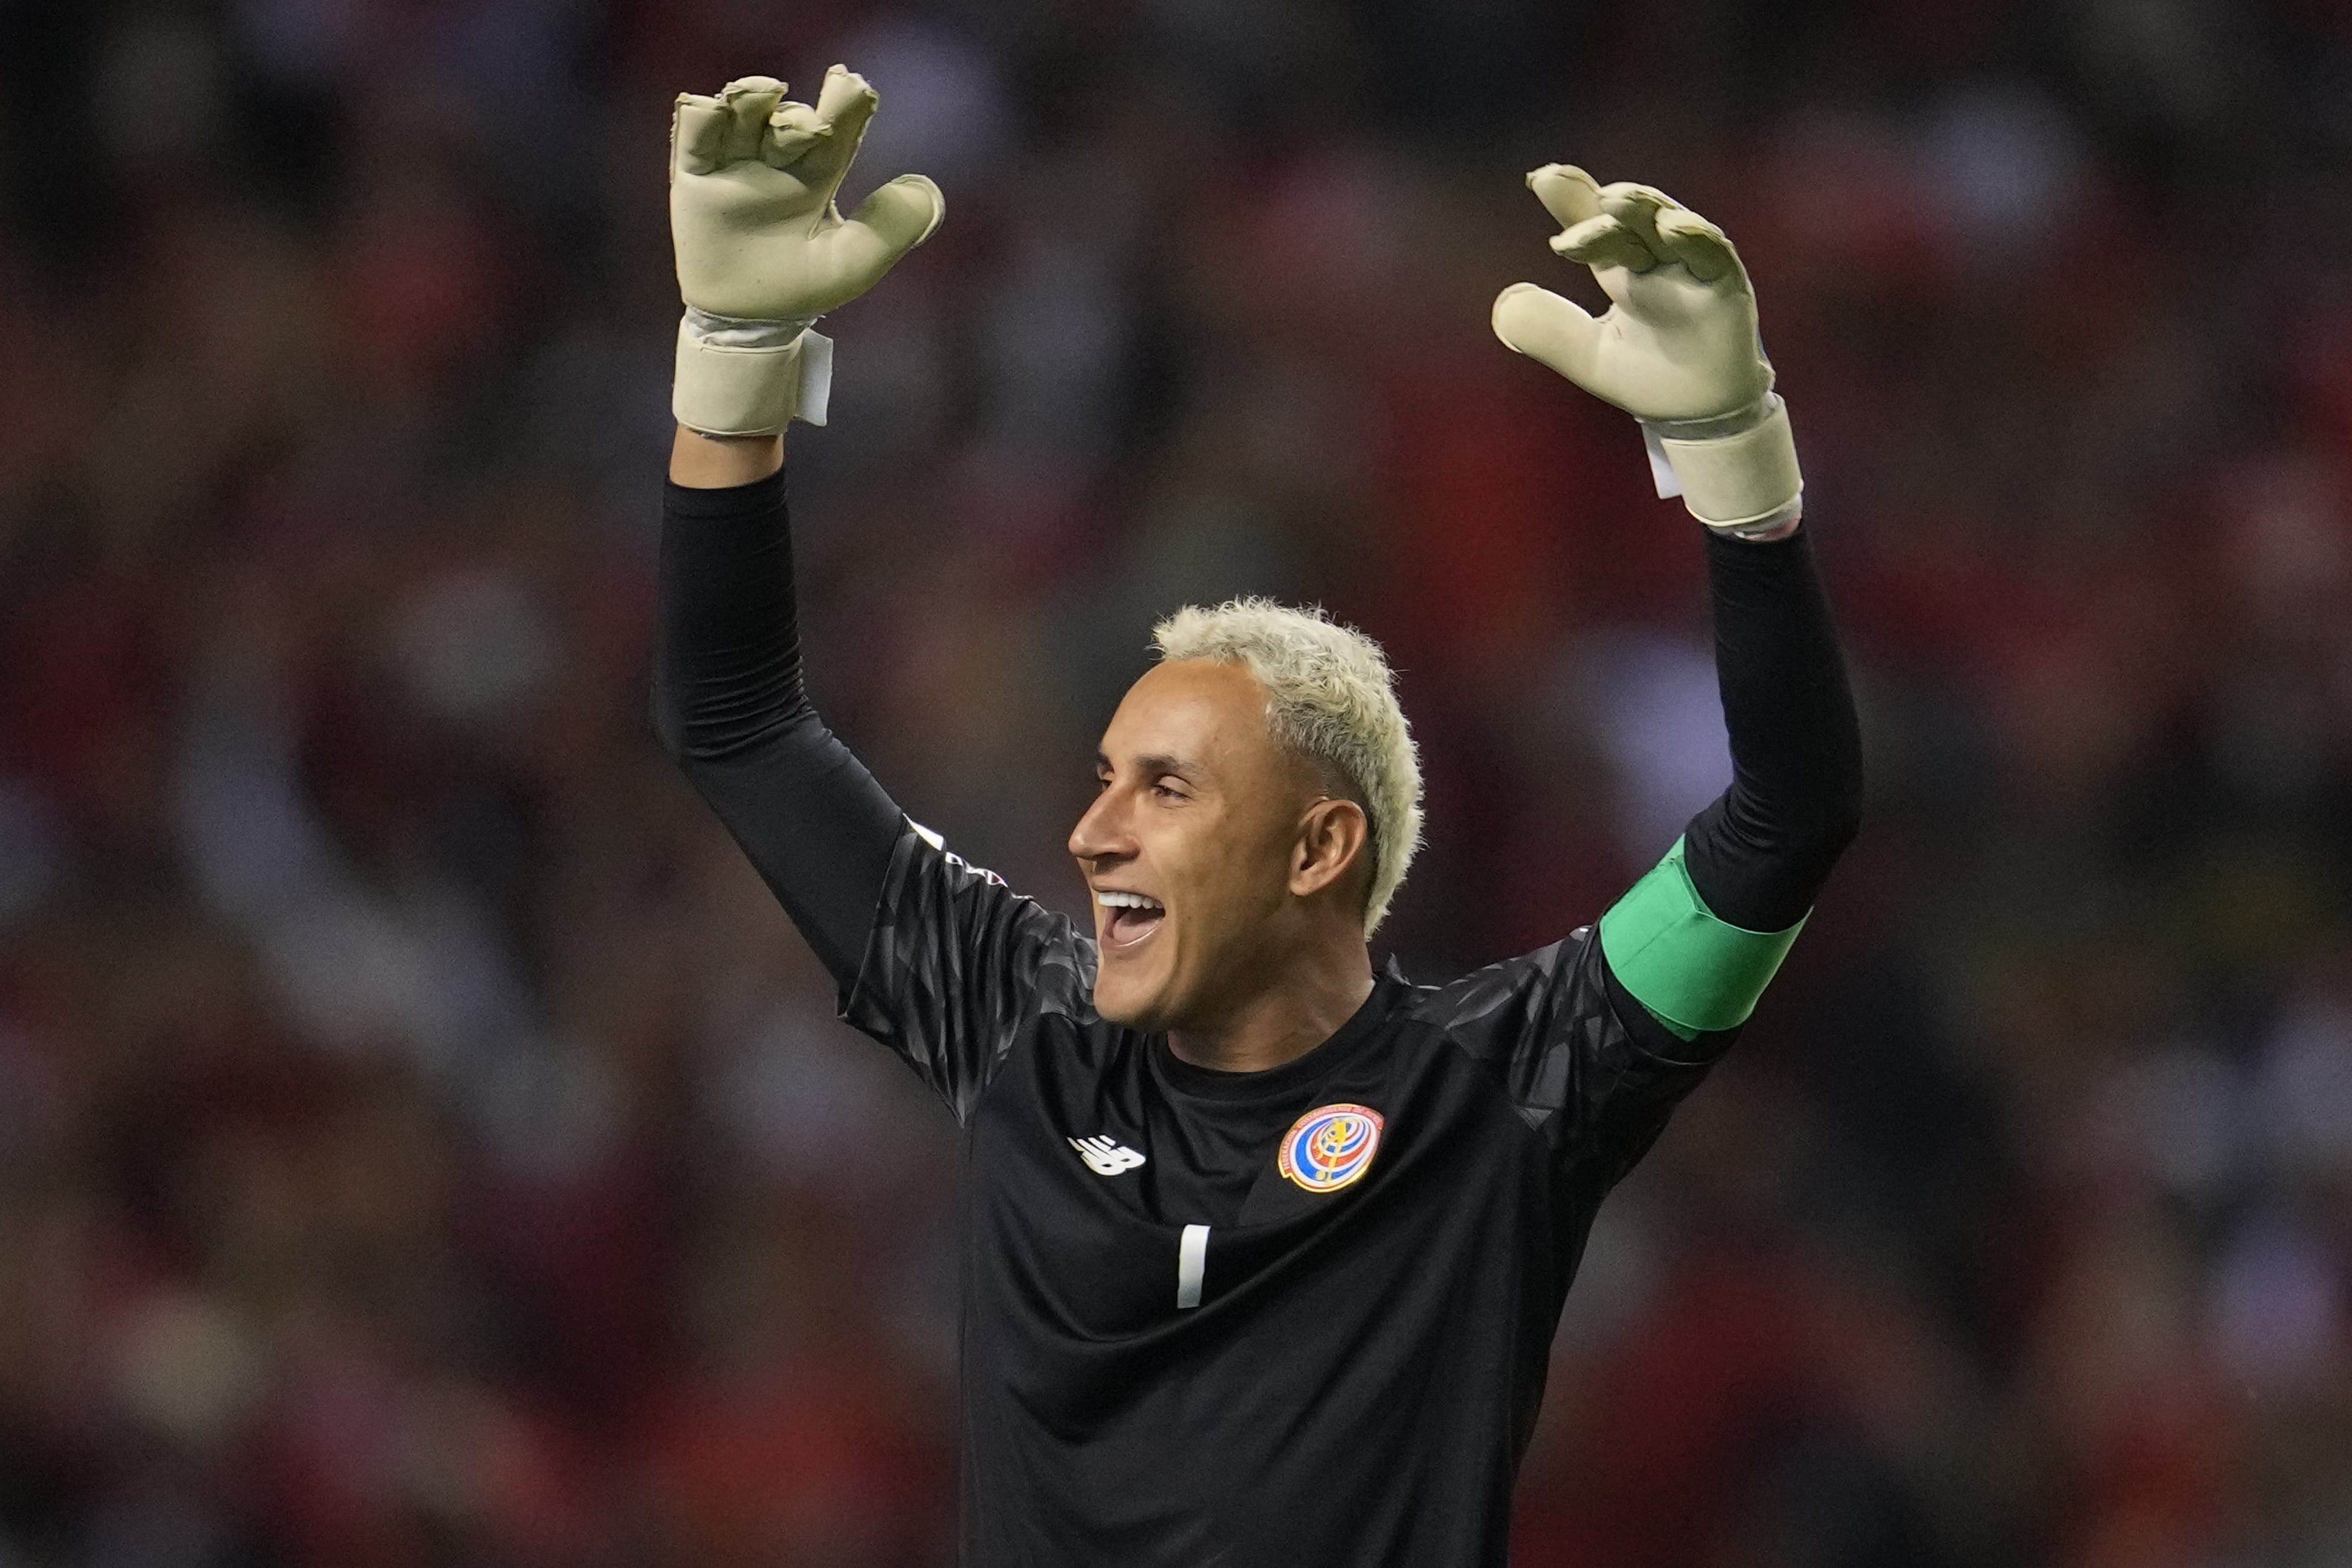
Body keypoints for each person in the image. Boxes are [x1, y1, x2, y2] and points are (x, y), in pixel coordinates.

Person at [654, 68, 1862, 1568]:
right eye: (1101, 780)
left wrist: (1739, 466)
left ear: (1317, 846)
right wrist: (735, 356)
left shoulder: (1509, 1088)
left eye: (1164, 788)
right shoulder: (1023, 1031)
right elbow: (739, 726)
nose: (1095, 835)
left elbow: (1788, 814)